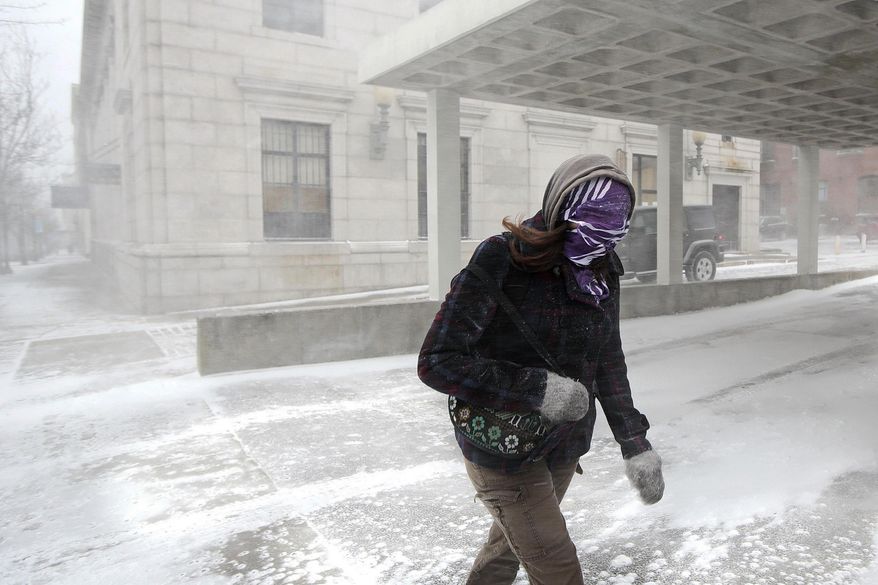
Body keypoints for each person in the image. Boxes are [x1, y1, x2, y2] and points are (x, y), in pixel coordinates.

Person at [418, 154, 664, 584]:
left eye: (616, 224)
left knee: (508, 547)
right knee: (556, 565)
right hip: (502, 447)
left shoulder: (604, 270)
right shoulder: (502, 259)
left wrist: (635, 444)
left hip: (563, 445)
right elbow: (437, 361)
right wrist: (538, 389)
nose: (603, 236)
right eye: (591, 219)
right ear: (560, 208)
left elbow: (607, 359)